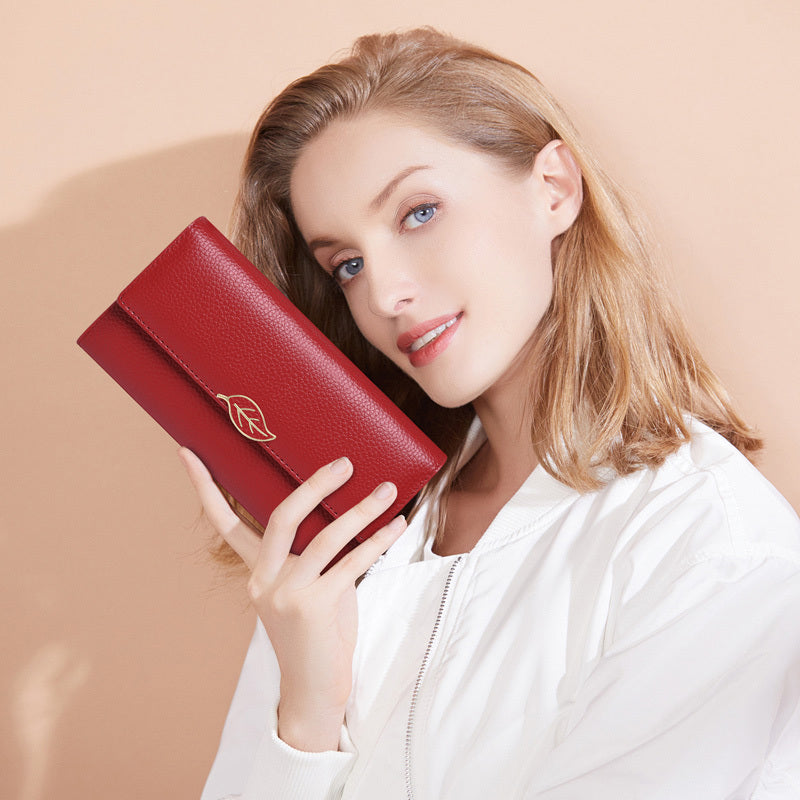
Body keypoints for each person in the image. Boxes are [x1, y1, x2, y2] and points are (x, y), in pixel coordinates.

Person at [178, 27, 800, 800]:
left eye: (418, 213)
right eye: (347, 264)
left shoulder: (710, 547)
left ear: (554, 189)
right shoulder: (348, 541)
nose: (385, 295)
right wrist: (306, 713)